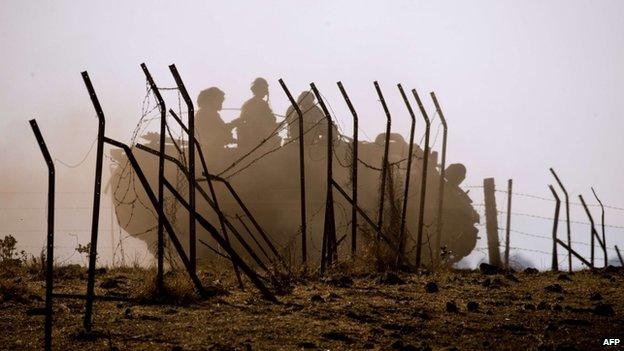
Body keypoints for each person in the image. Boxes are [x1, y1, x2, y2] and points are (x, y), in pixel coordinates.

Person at [231, 78, 281, 151]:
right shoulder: (261, 104)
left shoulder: (248, 104)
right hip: (258, 140)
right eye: (264, 89)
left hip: (253, 140)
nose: (265, 91)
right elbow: (269, 120)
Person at [194, 87, 234, 156]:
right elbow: (215, 136)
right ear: (211, 100)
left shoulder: (208, 113)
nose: (221, 103)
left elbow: (220, 129)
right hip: (210, 154)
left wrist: (233, 124)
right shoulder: (207, 114)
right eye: (220, 101)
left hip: (210, 152)